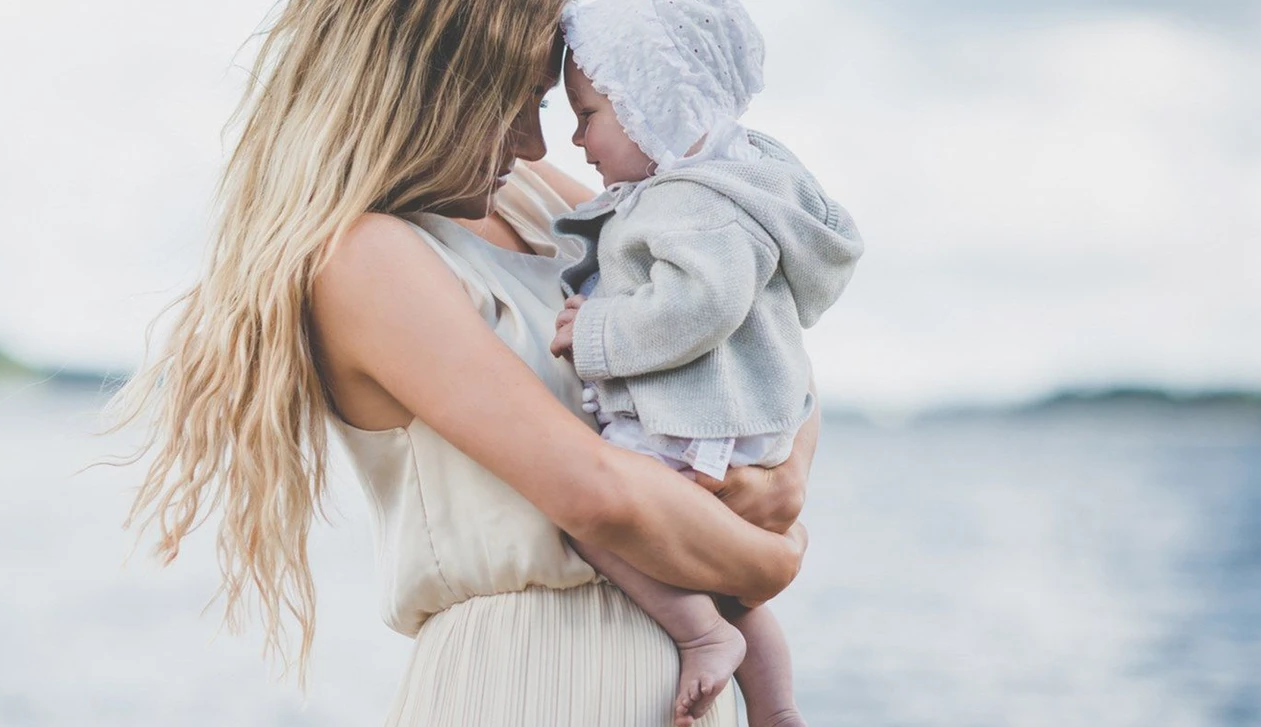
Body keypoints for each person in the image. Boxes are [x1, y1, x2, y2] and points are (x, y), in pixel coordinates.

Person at [107, 1, 816, 724]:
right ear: (422, 89)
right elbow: (595, 492)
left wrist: (782, 476)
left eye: (543, 102)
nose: (538, 144)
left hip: (677, 674)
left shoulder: (539, 204)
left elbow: (756, 322)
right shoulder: (363, 259)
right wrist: (773, 556)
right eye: (514, 103)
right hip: (526, 681)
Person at [547, 1, 863, 725]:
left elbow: (699, 304)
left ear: (653, 105)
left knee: (586, 521)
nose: (575, 136)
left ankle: (701, 633)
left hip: (689, 426)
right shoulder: (730, 185)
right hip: (730, 424)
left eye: (589, 112)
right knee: (721, 579)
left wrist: (596, 331)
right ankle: (777, 707)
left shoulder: (693, 201)